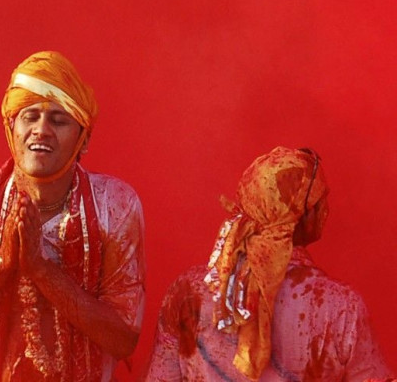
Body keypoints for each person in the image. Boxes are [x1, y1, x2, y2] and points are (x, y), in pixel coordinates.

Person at [0, 51, 146, 381]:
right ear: (11, 128)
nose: (41, 130)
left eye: (58, 120)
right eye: (30, 117)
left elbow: (124, 338)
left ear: (83, 140)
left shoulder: (115, 205)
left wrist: (41, 270)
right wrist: (3, 263)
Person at [142, 146, 393, 381]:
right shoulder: (340, 306)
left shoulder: (189, 291)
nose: (327, 209)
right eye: (321, 201)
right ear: (304, 215)